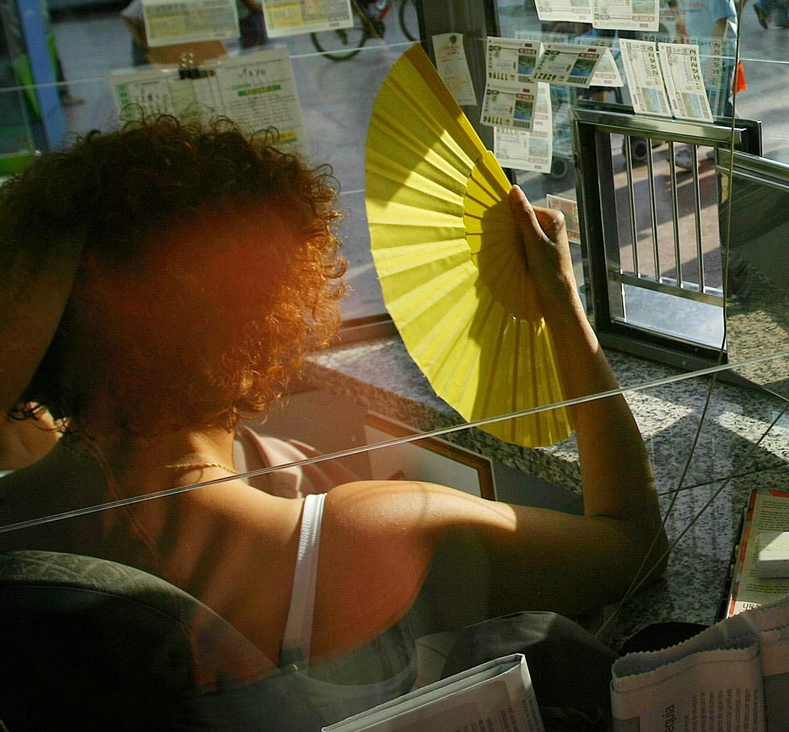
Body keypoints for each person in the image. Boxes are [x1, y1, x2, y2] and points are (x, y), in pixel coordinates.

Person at [0, 117, 666, 723]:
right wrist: (563, 308)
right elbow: (630, 542)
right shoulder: (368, 535)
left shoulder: (21, 539)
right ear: (262, 327)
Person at [677, 0, 739, 124]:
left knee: (716, 107)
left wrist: (714, 59)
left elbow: (721, 22)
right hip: (702, 55)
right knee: (715, 104)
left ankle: (727, 145)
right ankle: (736, 139)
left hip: (716, 57)